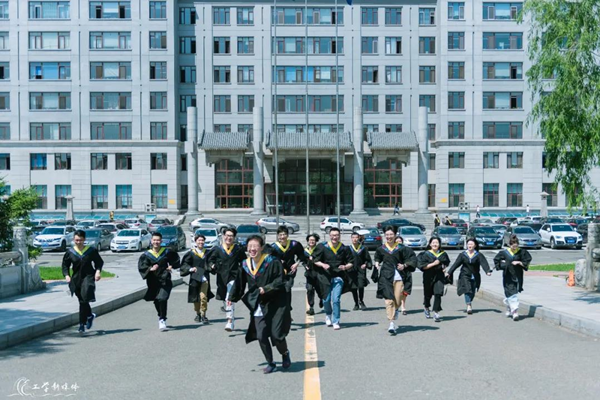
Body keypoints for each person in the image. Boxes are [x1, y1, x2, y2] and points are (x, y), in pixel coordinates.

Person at [228, 235, 291, 374]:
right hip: (259, 303)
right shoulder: (245, 264)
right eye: (249, 246)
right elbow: (239, 282)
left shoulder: (272, 261)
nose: (252, 249)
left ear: (262, 247)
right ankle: (271, 363)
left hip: (276, 302)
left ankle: (285, 353)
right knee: (261, 335)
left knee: (277, 335)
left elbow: (280, 280)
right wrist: (232, 297)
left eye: (255, 246)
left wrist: (266, 288)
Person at [374, 226, 417, 335]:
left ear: (395, 235)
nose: (389, 236)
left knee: (397, 300)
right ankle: (391, 323)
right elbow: (377, 257)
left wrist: (404, 265)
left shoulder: (402, 248)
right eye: (387, 235)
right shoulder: (381, 248)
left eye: (391, 234)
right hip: (385, 277)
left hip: (399, 277)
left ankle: (396, 310)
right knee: (389, 300)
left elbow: (412, 258)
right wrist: (377, 263)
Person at [62, 230, 104, 333]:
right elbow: (65, 265)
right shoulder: (70, 252)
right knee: (82, 300)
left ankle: (82, 324)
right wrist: (67, 275)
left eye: (80, 240)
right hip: (76, 279)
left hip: (88, 277)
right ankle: (89, 316)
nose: (78, 242)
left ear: (84, 239)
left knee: (84, 298)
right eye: (76, 240)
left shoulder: (91, 250)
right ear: (73, 239)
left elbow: (99, 262)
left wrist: (98, 272)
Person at [138, 232, 181, 331]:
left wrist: (171, 266)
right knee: (157, 300)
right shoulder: (146, 255)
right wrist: (150, 269)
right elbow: (142, 267)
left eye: (158, 240)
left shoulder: (167, 252)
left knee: (162, 298)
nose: (156, 242)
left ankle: (162, 319)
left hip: (165, 280)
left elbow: (175, 260)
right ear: (151, 241)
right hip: (152, 281)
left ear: (161, 241)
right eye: (154, 240)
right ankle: (160, 315)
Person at [313, 228, 354, 330]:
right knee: (326, 300)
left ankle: (336, 321)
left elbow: (351, 262)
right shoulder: (323, 247)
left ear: (339, 236)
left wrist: (345, 267)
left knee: (336, 300)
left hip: (338, 277)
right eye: (332, 235)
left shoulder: (344, 248)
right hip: (325, 277)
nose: (334, 237)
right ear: (329, 236)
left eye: (336, 235)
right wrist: (323, 265)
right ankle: (328, 314)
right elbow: (314, 260)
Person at [208, 227, 246, 332]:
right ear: (224, 236)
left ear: (234, 237)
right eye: (227, 235)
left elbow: (244, 261)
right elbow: (210, 260)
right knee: (226, 299)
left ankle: (229, 320)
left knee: (229, 298)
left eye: (231, 236)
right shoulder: (217, 249)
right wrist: (212, 265)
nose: (229, 238)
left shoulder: (238, 249)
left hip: (234, 277)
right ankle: (230, 317)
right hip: (222, 278)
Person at [446, 238, 491, 314]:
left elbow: (484, 263)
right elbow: (456, 264)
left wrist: (487, 271)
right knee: (467, 289)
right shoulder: (463, 255)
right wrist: (449, 272)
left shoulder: (478, 255)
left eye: (471, 244)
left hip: (475, 275)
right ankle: (468, 305)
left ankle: (469, 300)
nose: (469, 245)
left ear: (475, 245)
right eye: (468, 244)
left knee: (472, 291)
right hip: (465, 274)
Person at [493, 235, 532, 321]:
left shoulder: (522, 252)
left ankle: (509, 307)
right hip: (508, 276)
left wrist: (519, 262)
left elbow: (527, 260)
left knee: (514, 292)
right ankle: (515, 312)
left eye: (516, 246)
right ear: (509, 245)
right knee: (511, 293)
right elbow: (497, 260)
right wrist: (504, 265)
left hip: (518, 275)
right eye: (513, 246)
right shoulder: (505, 252)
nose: (514, 248)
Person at [269, 226, 307, 313]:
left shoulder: (294, 244)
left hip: (290, 271)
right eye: (280, 235)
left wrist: (296, 264)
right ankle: (281, 308)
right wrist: (278, 261)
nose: (282, 237)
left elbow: (302, 255)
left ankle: (287, 308)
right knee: (278, 290)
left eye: (284, 234)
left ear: (288, 235)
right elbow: (269, 259)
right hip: (278, 273)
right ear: (278, 236)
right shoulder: (274, 247)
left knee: (287, 288)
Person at [180, 234, 215, 324]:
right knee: (195, 297)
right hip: (195, 276)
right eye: (199, 240)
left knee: (203, 297)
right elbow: (185, 264)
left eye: (202, 240)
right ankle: (198, 313)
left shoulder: (208, 253)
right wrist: (190, 269)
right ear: (195, 242)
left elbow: (212, 261)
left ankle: (203, 314)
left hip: (205, 278)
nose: (201, 242)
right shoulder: (191, 253)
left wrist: (212, 265)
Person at [418, 237, 450, 322]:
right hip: (428, 276)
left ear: (439, 244)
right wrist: (434, 264)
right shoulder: (425, 254)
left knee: (438, 293)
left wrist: (444, 269)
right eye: (433, 243)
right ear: (430, 244)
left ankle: (436, 312)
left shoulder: (443, 254)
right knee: (427, 294)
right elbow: (423, 267)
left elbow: (446, 263)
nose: (435, 244)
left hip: (439, 276)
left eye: (437, 243)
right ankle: (426, 307)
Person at [349, 232, 372, 311]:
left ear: (358, 238)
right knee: (353, 288)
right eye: (353, 237)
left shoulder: (363, 248)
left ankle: (361, 300)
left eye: (356, 237)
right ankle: (356, 303)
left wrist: (365, 264)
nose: (355, 239)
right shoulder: (348, 248)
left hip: (361, 270)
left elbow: (367, 259)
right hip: (351, 270)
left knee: (361, 286)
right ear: (351, 238)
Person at [303, 233, 322, 316]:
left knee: (319, 290)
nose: (311, 241)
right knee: (310, 290)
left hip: (319, 273)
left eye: (313, 240)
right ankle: (311, 307)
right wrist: (305, 266)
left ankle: (321, 299)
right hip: (309, 274)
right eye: (310, 240)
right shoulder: (304, 251)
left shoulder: (319, 250)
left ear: (316, 241)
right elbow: (302, 260)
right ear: (307, 241)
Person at [394, 234, 411, 315]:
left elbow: (411, 260)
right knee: (397, 291)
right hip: (395, 273)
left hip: (405, 272)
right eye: (397, 241)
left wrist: (405, 265)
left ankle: (403, 307)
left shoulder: (407, 250)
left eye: (400, 241)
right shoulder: (391, 251)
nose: (398, 243)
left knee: (404, 291)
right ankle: (396, 305)